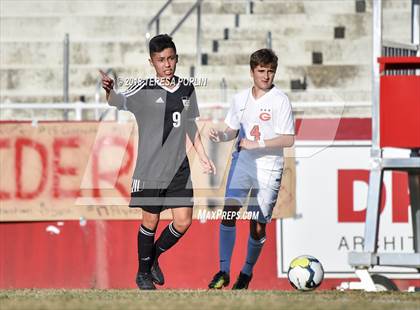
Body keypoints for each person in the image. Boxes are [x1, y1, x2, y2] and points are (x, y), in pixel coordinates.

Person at [100, 34, 216, 290]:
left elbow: (189, 124)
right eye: (161, 59)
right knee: (150, 222)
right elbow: (117, 101)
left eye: (171, 58)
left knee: (184, 221)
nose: (167, 64)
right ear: (151, 62)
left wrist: (204, 156)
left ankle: (152, 260)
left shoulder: (187, 88)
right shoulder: (143, 90)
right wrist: (109, 90)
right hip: (150, 169)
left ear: (177, 58)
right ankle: (142, 274)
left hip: (178, 168)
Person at [208, 48, 295, 289]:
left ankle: (246, 273)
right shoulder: (239, 99)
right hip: (244, 162)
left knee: (257, 226)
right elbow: (232, 130)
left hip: (269, 167)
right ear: (252, 72)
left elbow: (288, 139)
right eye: (261, 71)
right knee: (229, 210)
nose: (266, 76)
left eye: (270, 71)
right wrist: (221, 135)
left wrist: (258, 143)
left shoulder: (280, 100)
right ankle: (223, 270)